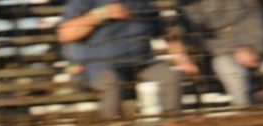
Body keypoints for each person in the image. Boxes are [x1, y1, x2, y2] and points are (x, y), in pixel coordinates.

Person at [57, 0, 197, 119]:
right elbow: (65, 34)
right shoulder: (84, 2)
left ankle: (172, 124)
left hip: (142, 62)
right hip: (98, 64)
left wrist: (183, 60)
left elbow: (168, 33)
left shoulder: (143, 3)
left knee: (170, 77)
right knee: (110, 83)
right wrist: (100, 14)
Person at [178, 0, 263, 107]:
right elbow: (197, 39)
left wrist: (254, 49)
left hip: (257, 53)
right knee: (232, 73)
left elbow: (261, 23)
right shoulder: (192, 5)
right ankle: (243, 115)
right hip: (219, 57)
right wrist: (233, 51)